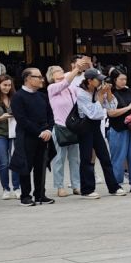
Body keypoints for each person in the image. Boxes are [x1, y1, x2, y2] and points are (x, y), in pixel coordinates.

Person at [75, 68, 124, 196]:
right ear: (89, 81)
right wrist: (101, 96)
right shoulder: (80, 94)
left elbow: (112, 108)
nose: (101, 82)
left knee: (105, 157)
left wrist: (108, 93)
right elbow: (93, 113)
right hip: (85, 127)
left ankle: (114, 187)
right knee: (86, 158)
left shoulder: (98, 91)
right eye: (98, 80)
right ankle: (87, 189)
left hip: (96, 128)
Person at [12, 66, 55, 204]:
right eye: (38, 77)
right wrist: (39, 132)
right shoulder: (18, 97)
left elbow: (50, 115)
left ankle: (40, 194)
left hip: (44, 136)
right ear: (28, 79)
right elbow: (22, 119)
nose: (42, 79)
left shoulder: (42, 96)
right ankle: (25, 195)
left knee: (40, 165)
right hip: (27, 136)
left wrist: (48, 130)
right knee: (26, 166)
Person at [104, 67, 131, 193]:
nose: (124, 81)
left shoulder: (130, 91)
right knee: (118, 157)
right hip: (117, 128)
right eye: (121, 79)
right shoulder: (110, 93)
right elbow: (111, 113)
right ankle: (116, 184)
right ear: (114, 80)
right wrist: (128, 108)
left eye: (125, 79)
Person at [46, 62, 80, 197]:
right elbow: (64, 83)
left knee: (75, 159)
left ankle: (76, 185)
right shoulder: (52, 88)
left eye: (61, 70)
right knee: (59, 159)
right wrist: (76, 68)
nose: (60, 72)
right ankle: (59, 186)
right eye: (57, 71)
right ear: (51, 75)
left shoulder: (71, 88)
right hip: (59, 127)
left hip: (73, 127)